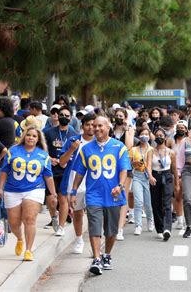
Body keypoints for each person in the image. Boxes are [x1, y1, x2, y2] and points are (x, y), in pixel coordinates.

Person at [70, 116, 131, 275]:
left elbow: (124, 169)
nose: (96, 129)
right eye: (93, 126)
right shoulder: (86, 149)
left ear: (108, 127)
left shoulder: (119, 147)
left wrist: (120, 185)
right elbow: (80, 172)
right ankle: (96, 259)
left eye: (99, 126)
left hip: (113, 195)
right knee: (94, 227)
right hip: (93, 195)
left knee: (111, 231)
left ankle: (107, 255)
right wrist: (73, 191)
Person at [0, 125, 57, 262]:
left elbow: (48, 176)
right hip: (12, 190)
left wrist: (53, 194)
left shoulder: (43, 155)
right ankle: (19, 238)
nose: (31, 138)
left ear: (38, 139)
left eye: (34, 136)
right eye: (29, 135)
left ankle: (29, 250)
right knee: (14, 223)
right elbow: (4, 171)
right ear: (24, 136)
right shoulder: (13, 151)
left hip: (34, 189)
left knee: (30, 219)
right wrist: (0, 188)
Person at [58, 113, 96, 254]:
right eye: (88, 125)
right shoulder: (73, 141)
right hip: (76, 184)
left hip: (94, 184)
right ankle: (79, 239)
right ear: (82, 126)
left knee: (94, 215)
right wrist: (72, 149)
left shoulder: (100, 143)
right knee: (78, 214)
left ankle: (95, 244)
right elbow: (62, 162)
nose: (91, 128)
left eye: (94, 125)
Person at [44, 106, 78, 236]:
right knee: (51, 200)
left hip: (66, 171)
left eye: (67, 115)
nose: (64, 117)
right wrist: (49, 158)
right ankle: (53, 217)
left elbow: (77, 153)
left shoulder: (74, 134)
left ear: (70, 118)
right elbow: (42, 150)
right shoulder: (48, 132)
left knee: (62, 198)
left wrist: (67, 162)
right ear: (58, 116)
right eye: (62, 114)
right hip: (51, 170)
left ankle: (61, 226)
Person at [150, 128, 178, 241]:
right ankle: (160, 228)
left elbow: (174, 169)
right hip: (155, 176)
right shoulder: (151, 151)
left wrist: (177, 183)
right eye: (157, 135)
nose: (159, 137)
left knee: (166, 202)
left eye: (161, 135)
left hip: (167, 176)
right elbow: (147, 166)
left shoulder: (171, 152)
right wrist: (150, 176)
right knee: (156, 204)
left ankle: (167, 229)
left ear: (165, 137)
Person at [111, 108, 135, 241]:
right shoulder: (110, 130)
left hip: (124, 165)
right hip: (110, 165)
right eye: (117, 116)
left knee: (123, 196)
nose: (118, 118)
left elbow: (129, 146)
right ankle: (111, 226)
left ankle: (120, 229)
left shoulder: (129, 130)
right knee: (110, 195)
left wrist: (126, 129)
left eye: (121, 116)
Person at [129, 128, 154, 235]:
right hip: (137, 176)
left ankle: (150, 219)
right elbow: (127, 164)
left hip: (149, 177)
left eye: (146, 134)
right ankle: (138, 225)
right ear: (138, 136)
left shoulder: (153, 149)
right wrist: (133, 164)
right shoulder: (133, 150)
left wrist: (151, 176)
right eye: (142, 134)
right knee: (138, 202)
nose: (144, 136)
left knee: (148, 203)